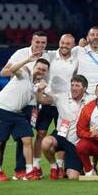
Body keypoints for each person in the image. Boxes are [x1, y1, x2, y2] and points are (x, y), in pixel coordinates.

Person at [0, 58, 50, 181]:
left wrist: (40, 90)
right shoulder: (25, 73)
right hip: (2, 108)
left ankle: (28, 170)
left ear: (46, 72)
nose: (40, 71)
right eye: (39, 68)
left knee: (27, 138)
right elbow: (12, 70)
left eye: (44, 70)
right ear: (34, 67)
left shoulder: (36, 84)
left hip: (16, 113)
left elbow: (39, 100)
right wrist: (28, 59)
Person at [35, 33, 78, 176]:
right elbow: (38, 67)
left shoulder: (76, 60)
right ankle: (36, 165)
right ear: (59, 42)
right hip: (49, 100)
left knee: (63, 133)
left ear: (73, 46)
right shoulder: (49, 56)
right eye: (62, 42)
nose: (64, 46)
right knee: (41, 133)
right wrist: (42, 88)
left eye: (68, 44)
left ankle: (59, 166)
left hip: (64, 103)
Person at [36, 75, 92, 180]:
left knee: (73, 177)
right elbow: (41, 100)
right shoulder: (61, 97)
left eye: (77, 85)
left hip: (77, 142)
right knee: (46, 142)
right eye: (72, 85)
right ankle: (54, 166)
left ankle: (79, 168)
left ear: (84, 89)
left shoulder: (91, 99)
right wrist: (39, 90)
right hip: (61, 136)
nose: (74, 88)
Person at [73, 27, 98, 95]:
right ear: (87, 38)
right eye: (92, 34)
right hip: (81, 94)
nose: (95, 37)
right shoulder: (78, 50)